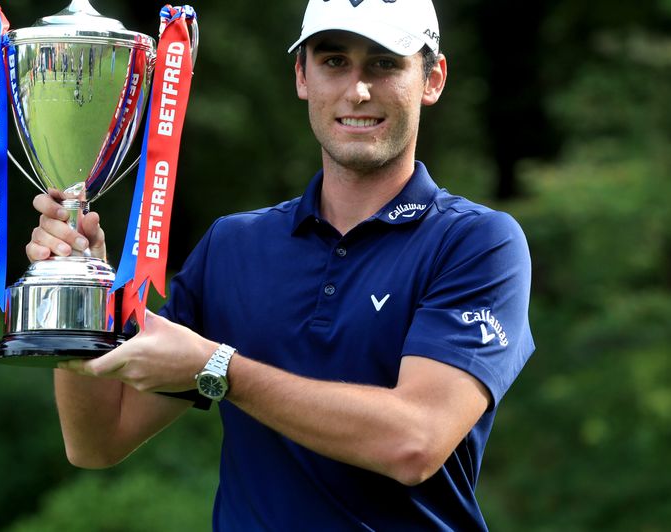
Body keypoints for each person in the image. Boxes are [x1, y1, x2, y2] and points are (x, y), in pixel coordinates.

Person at [27, 0, 534, 529]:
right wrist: (84, 297)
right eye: (334, 61)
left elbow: (415, 442)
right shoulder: (233, 246)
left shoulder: (477, 243)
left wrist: (218, 369)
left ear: (432, 79)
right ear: (302, 76)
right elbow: (98, 440)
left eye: (385, 63)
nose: (357, 90)